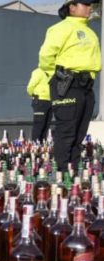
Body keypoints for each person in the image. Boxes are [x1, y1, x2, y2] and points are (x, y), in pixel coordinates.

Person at [39, 0, 101, 170]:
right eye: (85, 4)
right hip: (67, 84)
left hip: (86, 86)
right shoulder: (60, 29)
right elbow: (45, 57)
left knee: (80, 133)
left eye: (90, 4)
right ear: (72, 7)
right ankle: (61, 174)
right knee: (66, 132)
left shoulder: (90, 32)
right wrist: (59, 77)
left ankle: (73, 173)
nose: (90, 7)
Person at [27, 68, 52, 142]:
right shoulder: (38, 72)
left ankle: (42, 144)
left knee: (46, 124)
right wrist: (35, 95)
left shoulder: (52, 72)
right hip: (40, 100)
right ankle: (35, 144)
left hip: (50, 100)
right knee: (39, 124)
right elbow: (30, 87)